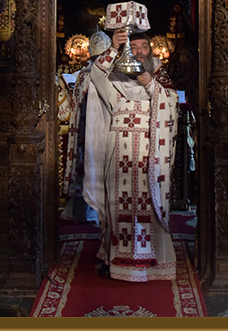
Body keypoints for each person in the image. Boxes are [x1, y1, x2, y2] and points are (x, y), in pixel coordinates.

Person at [82, 28, 180, 282]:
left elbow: (172, 103)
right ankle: (115, 260)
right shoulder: (114, 74)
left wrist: (151, 85)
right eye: (133, 48)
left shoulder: (158, 74)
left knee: (148, 201)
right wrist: (113, 48)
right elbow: (96, 74)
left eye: (143, 47)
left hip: (149, 148)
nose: (139, 52)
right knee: (117, 202)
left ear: (150, 50)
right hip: (119, 146)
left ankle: (152, 261)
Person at [60, 31, 112, 224]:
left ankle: (80, 211)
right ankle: (93, 212)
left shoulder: (83, 73)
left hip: (84, 129)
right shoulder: (102, 73)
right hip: (96, 129)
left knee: (85, 165)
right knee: (95, 166)